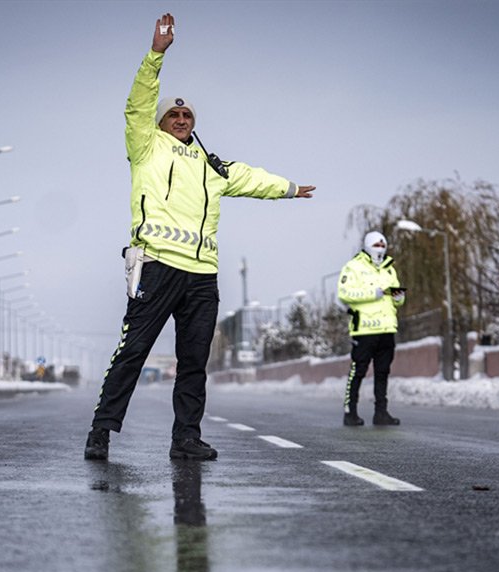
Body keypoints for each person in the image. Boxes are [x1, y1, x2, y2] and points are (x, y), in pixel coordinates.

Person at [84, 13, 316, 461]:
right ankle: (101, 430)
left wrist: (288, 187)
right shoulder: (145, 145)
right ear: (160, 120)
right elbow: (138, 102)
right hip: (156, 265)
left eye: (188, 114)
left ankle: (186, 438)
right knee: (132, 351)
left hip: (201, 276)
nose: (182, 118)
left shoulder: (210, 163)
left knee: (193, 364)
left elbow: (247, 177)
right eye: (174, 112)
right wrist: (156, 55)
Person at [337, 231, 405, 427]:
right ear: (367, 246)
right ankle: (350, 412)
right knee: (358, 371)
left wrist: (399, 298)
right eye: (376, 245)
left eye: (383, 245)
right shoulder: (354, 267)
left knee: (383, 372)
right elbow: (345, 293)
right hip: (364, 329)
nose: (380, 249)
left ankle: (381, 413)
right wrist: (372, 293)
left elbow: (396, 295)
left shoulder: (389, 270)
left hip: (387, 328)